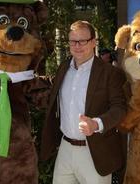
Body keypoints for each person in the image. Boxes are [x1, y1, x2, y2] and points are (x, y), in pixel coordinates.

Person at [40, 20, 127, 184]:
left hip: (95, 150)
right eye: (73, 41)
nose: (77, 46)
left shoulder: (110, 73)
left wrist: (96, 123)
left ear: (94, 42)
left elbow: (120, 109)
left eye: (83, 41)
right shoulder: (64, 68)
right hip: (65, 148)